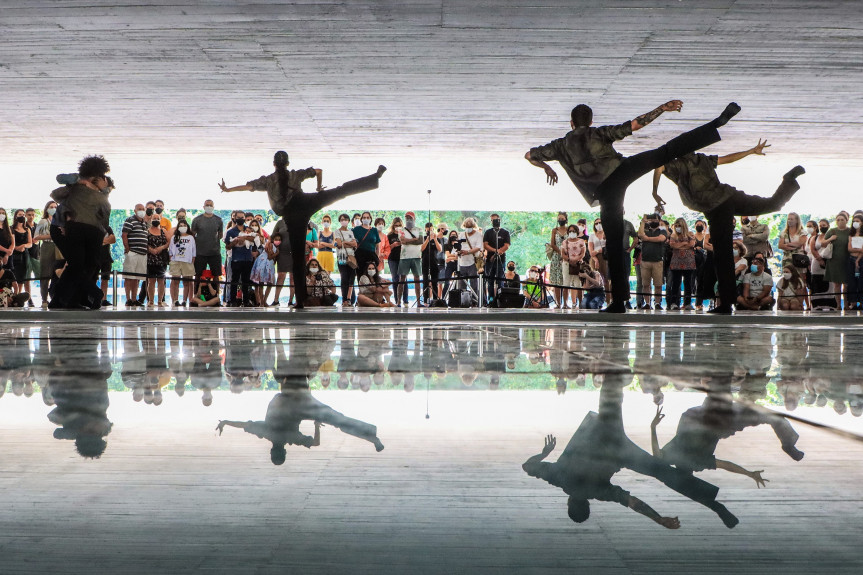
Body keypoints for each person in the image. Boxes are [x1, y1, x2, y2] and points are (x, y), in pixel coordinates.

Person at [527, 100, 739, 313]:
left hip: (605, 191)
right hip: (622, 171)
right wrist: (661, 109)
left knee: (615, 246)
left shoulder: (559, 145)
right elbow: (636, 124)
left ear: (571, 123)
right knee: (666, 151)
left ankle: (619, 302)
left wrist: (546, 167)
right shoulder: (599, 133)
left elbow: (529, 155)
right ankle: (716, 124)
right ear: (591, 121)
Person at [652, 138, 805, 313]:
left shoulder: (679, 164)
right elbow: (727, 158)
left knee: (723, 257)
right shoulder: (701, 159)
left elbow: (659, 167)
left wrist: (655, 191)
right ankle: (789, 181)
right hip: (730, 197)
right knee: (771, 205)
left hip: (717, 208)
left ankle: (725, 304)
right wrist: (750, 151)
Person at [218, 150, 386, 308]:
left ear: (274, 164)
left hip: (292, 215)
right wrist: (319, 189)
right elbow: (318, 171)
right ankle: (374, 179)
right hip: (307, 202)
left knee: (298, 259)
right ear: (288, 163)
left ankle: (300, 300)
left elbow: (247, 187)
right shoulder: (295, 174)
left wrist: (227, 189)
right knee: (340, 191)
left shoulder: (268, 180)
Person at [49, 156, 113, 309]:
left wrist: (104, 190)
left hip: (85, 231)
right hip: (66, 228)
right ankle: (88, 295)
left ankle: (63, 299)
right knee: (78, 265)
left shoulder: (101, 196)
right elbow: (56, 193)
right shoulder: (76, 186)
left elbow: (103, 218)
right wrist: (77, 181)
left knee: (85, 265)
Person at [190, 199, 224, 289]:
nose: (209, 206)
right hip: (200, 252)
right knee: (197, 275)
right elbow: (192, 235)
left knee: (216, 275)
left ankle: (216, 296)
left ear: (213, 207)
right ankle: (195, 297)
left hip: (215, 252)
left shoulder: (219, 220)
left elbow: (220, 235)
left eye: (210, 205)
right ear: (204, 207)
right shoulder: (197, 220)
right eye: (207, 205)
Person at [638, 213, 668, 310]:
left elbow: (661, 239)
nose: (653, 221)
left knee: (658, 284)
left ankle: (657, 303)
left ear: (659, 221)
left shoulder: (662, 230)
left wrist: (648, 239)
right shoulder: (646, 230)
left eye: (655, 220)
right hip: (645, 261)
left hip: (657, 261)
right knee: (645, 284)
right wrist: (643, 221)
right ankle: (647, 303)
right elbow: (640, 235)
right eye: (652, 220)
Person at [224, 215, 255, 306]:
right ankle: (232, 300)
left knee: (246, 281)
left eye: (242, 217)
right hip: (236, 259)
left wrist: (244, 237)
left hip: (248, 259)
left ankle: (246, 301)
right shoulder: (230, 231)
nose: (240, 218)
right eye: (238, 217)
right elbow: (227, 246)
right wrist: (234, 242)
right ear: (234, 218)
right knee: (234, 280)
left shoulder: (249, 229)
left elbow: (255, 238)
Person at [122, 203, 149, 306]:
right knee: (129, 276)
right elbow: (124, 235)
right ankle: (128, 299)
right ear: (135, 210)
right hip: (132, 252)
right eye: (139, 209)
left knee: (137, 277)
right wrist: (128, 250)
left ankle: (134, 299)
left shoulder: (144, 223)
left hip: (142, 254)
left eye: (143, 209)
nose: (141, 210)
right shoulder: (130, 220)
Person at [823, 213, 851, 309]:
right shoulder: (832, 231)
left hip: (847, 260)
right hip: (834, 261)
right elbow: (822, 243)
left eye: (842, 219)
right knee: (836, 284)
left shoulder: (850, 231)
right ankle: (838, 304)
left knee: (846, 284)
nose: (839, 221)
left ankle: (846, 304)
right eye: (838, 219)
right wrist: (831, 239)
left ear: (847, 220)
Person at [667, 218, 696, 311]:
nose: (677, 227)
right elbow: (672, 245)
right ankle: (674, 303)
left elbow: (691, 244)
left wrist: (679, 245)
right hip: (676, 262)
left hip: (688, 262)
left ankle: (687, 303)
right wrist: (683, 243)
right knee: (676, 282)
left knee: (688, 283)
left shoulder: (690, 234)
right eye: (676, 226)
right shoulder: (673, 235)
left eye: (679, 226)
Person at [33, 201, 57, 307]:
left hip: (58, 247)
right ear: (47, 208)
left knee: (56, 272)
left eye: (55, 207)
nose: (53, 208)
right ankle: (44, 298)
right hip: (47, 247)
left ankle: (55, 296)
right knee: (45, 273)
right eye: (51, 207)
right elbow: (36, 237)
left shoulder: (59, 220)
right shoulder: (43, 221)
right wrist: (50, 236)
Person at [483, 213, 510, 304]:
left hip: (501, 260)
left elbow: (507, 245)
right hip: (490, 260)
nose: (494, 222)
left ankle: (500, 299)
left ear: (499, 220)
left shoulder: (505, 232)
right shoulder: (488, 232)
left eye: (495, 220)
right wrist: (494, 251)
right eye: (492, 220)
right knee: (490, 281)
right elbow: (485, 245)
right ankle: (490, 299)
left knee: (500, 281)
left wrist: (499, 252)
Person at [397, 211, 423, 306]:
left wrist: (409, 241)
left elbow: (420, 241)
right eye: (407, 218)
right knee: (402, 279)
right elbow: (403, 241)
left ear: (414, 219)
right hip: (404, 257)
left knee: (417, 279)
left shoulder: (419, 229)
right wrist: (413, 239)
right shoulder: (401, 230)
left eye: (410, 218)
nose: (409, 220)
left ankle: (419, 302)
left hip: (416, 257)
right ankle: (399, 301)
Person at [168, 221, 196, 307]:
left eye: (184, 225)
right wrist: (171, 260)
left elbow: (193, 250)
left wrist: (192, 261)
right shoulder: (174, 237)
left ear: (187, 226)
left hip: (187, 262)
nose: (182, 227)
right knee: (175, 281)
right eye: (180, 225)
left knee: (186, 282)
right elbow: (171, 250)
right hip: (176, 261)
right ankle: (175, 300)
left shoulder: (191, 237)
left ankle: (184, 300)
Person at [334, 214, 358, 307]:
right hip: (342, 257)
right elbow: (339, 244)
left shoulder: (351, 232)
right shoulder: (337, 231)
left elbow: (355, 244)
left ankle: (350, 299)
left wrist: (345, 243)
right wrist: (348, 243)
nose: (344, 221)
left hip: (351, 257)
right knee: (344, 277)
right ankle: (344, 299)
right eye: (342, 219)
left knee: (351, 278)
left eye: (345, 219)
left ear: (348, 221)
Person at [146, 214, 169, 306]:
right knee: (151, 281)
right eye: (154, 218)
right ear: (151, 220)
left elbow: (169, 242)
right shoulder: (147, 231)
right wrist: (150, 249)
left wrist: (162, 247)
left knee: (161, 280)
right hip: (150, 259)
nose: (156, 220)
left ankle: (160, 301)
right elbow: (144, 242)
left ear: (160, 220)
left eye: (157, 218)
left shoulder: (163, 231)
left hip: (161, 259)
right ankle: (151, 301)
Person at [560, 223, 585, 308]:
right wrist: (569, 260)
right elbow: (562, 254)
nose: (572, 232)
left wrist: (576, 259)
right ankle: (565, 304)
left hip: (578, 265)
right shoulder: (565, 242)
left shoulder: (581, 241)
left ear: (577, 232)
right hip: (567, 264)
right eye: (570, 231)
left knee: (578, 284)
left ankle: (581, 303)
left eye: (574, 231)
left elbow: (583, 253)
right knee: (566, 284)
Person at [250, 232, 278, 307]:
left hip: (268, 265)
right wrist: (277, 253)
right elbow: (269, 256)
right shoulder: (270, 244)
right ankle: (262, 301)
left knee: (268, 283)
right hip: (264, 264)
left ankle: (264, 300)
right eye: (276, 239)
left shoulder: (273, 245)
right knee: (262, 283)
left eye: (279, 239)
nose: (277, 241)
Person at [457, 217, 482, 300]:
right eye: (466, 227)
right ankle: (462, 302)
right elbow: (457, 246)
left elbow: (478, 247)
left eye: (470, 227)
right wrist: (459, 251)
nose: (468, 229)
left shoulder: (478, 235)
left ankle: (475, 301)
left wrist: (467, 252)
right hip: (462, 263)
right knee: (461, 285)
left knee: (474, 284)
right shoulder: (461, 234)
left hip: (473, 262)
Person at [353, 211, 382, 282]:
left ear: (370, 219)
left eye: (368, 217)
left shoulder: (374, 230)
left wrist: (377, 257)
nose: (366, 219)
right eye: (364, 217)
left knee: (372, 276)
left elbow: (377, 246)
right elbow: (353, 243)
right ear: (361, 219)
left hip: (371, 256)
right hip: (360, 256)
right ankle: (361, 292)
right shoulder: (356, 229)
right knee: (361, 276)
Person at [778, 212, 808, 278]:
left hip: (799, 259)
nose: (789, 221)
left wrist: (787, 245)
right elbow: (780, 245)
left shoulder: (802, 232)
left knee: (800, 280)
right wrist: (792, 246)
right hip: (787, 259)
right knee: (788, 279)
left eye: (792, 219)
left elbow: (800, 243)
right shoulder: (784, 233)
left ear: (797, 220)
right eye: (788, 219)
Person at [692, 218, 714, 310]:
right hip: (695, 261)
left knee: (707, 281)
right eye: (697, 224)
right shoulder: (692, 236)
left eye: (701, 224)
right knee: (697, 282)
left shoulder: (706, 235)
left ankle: (711, 302)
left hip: (706, 261)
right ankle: (698, 303)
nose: (699, 226)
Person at [10, 209, 32, 296]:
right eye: (20, 214)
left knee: (22, 276)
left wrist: (24, 246)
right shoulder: (11, 228)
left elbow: (30, 243)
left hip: (24, 255)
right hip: (14, 254)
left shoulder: (27, 229)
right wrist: (16, 248)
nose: (22, 216)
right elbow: (10, 242)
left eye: (23, 214)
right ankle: (13, 295)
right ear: (16, 216)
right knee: (14, 275)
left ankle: (19, 296)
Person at [385, 217, 407, 306]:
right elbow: (386, 249)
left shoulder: (405, 234)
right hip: (393, 258)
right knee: (395, 279)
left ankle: (405, 300)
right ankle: (397, 300)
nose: (397, 227)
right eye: (396, 226)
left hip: (403, 258)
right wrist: (393, 245)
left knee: (403, 280)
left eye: (399, 225)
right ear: (393, 226)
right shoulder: (389, 236)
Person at [548, 212, 568, 307]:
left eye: (562, 218)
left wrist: (566, 254)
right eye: (559, 218)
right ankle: (558, 303)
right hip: (556, 256)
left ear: (566, 219)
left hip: (567, 257)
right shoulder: (554, 230)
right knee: (557, 281)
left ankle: (565, 303)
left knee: (565, 281)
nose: (560, 220)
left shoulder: (569, 230)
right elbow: (552, 243)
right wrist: (560, 252)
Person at [587, 218, 608, 304]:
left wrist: (599, 250)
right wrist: (596, 259)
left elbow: (608, 247)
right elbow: (591, 251)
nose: (598, 224)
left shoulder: (607, 234)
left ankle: (608, 300)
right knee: (594, 280)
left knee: (606, 280)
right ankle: (594, 300)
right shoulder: (592, 236)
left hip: (606, 258)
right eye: (596, 223)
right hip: (594, 259)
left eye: (600, 222)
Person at [421, 221, 441, 304]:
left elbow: (440, 249)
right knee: (425, 281)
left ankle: (435, 299)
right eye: (428, 230)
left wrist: (435, 239)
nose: (430, 232)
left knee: (434, 282)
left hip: (434, 262)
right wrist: (427, 239)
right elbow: (421, 249)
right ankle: (425, 299)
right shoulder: (423, 238)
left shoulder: (437, 238)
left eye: (431, 230)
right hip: (425, 262)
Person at [97, 226, 116, 306]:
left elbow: (113, 239)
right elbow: (93, 240)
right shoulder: (94, 226)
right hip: (95, 257)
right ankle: (92, 297)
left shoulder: (107, 228)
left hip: (106, 257)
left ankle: (103, 299)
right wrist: (106, 240)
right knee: (93, 278)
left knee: (105, 279)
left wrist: (102, 241)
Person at [848, 214, 863, 310]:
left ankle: (861, 302)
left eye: (858, 221)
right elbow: (849, 249)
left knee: (861, 281)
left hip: (861, 259)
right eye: (854, 221)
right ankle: (853, 302)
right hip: (851, 259)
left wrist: (858, 259)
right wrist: (857, 250)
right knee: (852, 282)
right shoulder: (851, 235)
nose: (855, 223)